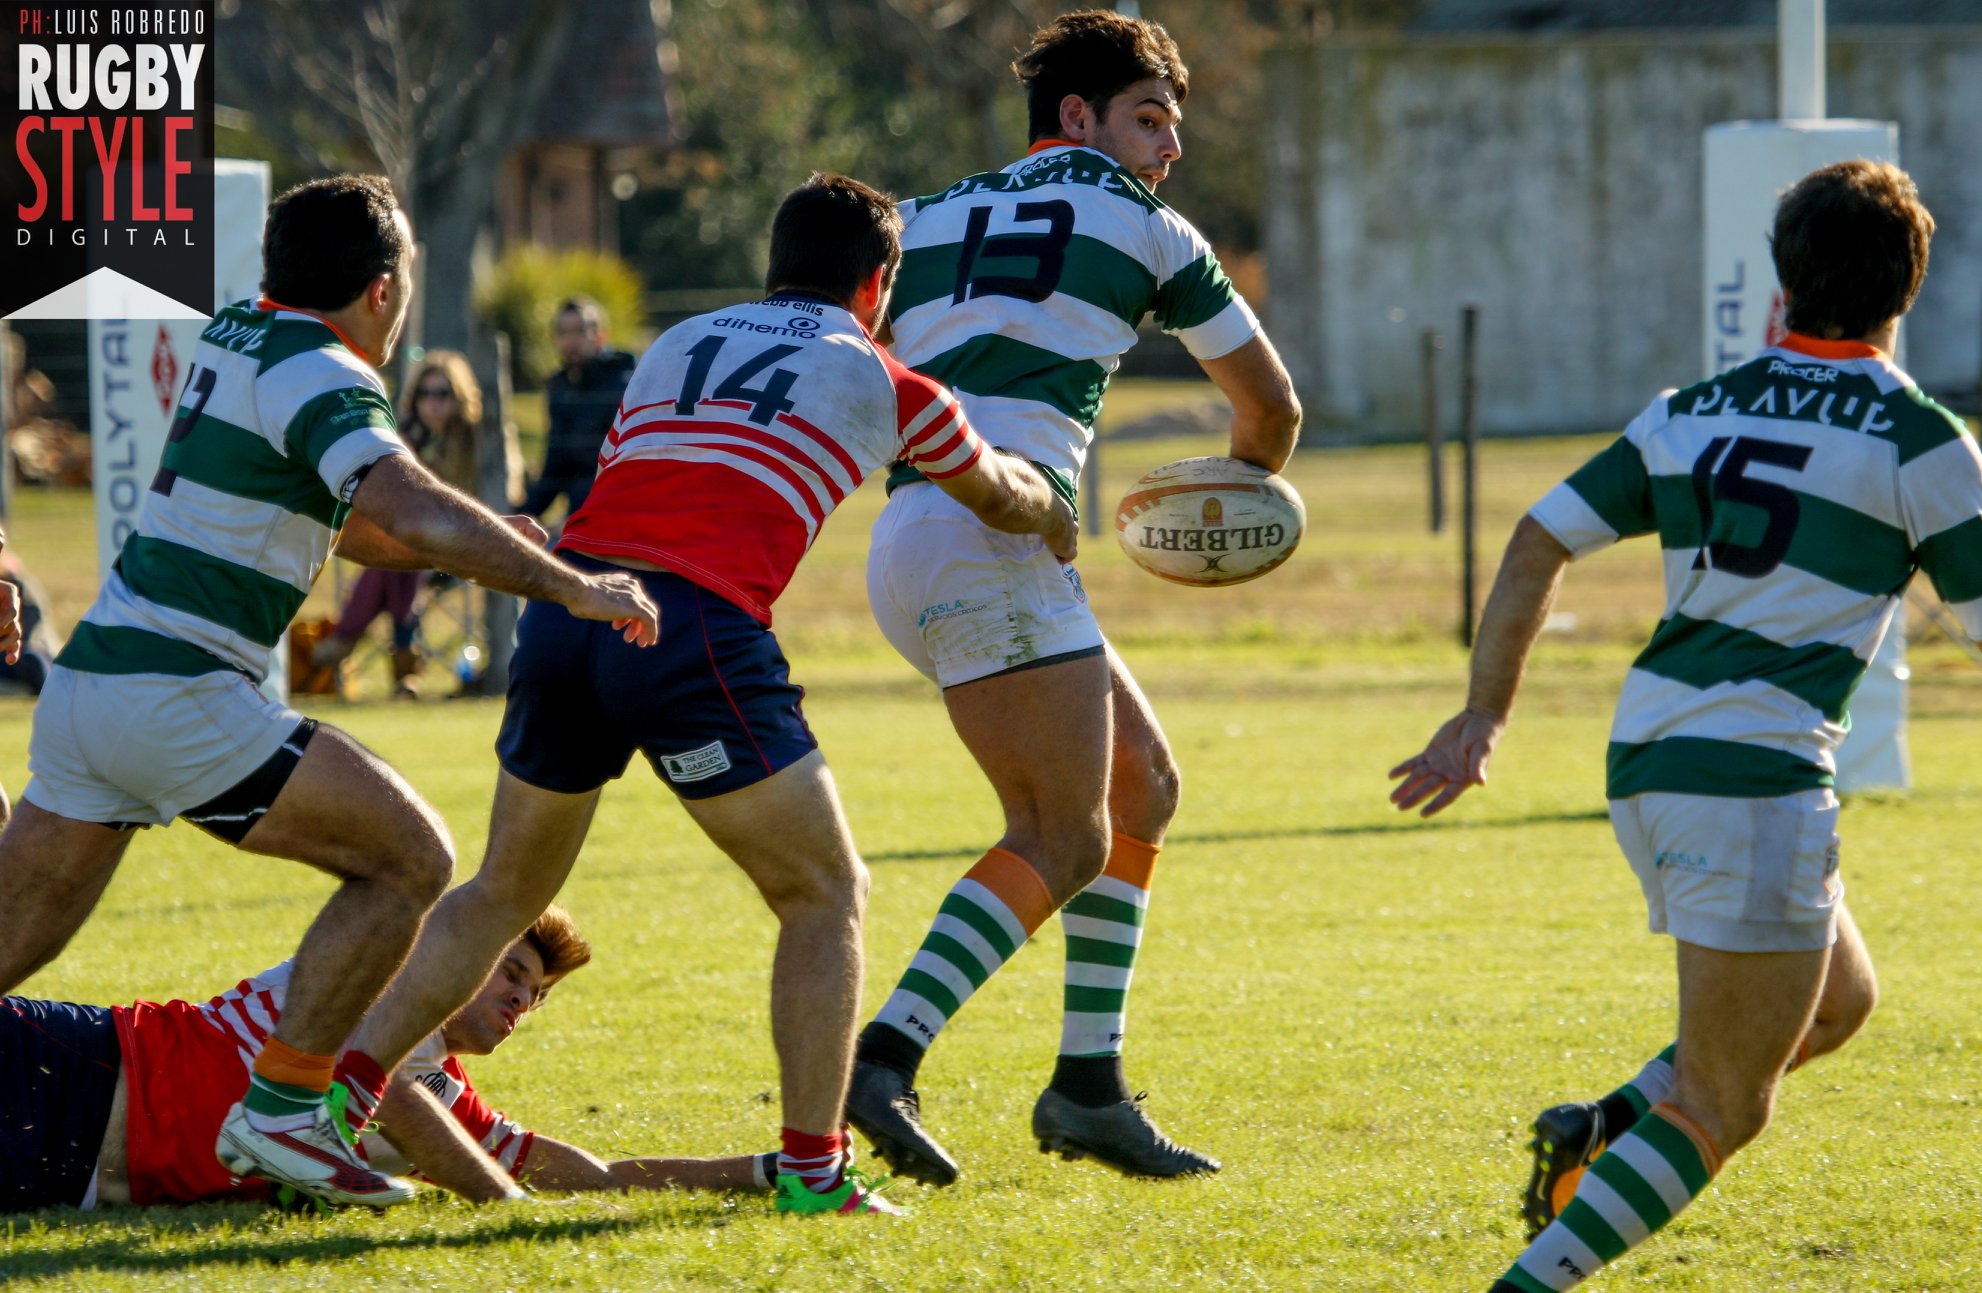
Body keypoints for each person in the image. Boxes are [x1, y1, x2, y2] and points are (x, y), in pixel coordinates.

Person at [329, 173, 1079, 1218]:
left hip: (567, 612)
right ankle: (815, 1171)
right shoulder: (890, 380)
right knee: (823, 895)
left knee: (502, 889)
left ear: (772, 265)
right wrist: (1054, 506)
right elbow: (998, 493)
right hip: (691, 629)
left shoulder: (676, 343)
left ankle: (336, 1095)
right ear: (877, 288)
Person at [0, 174, 660, 1210]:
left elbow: (346, 521)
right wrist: (574, 584)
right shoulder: (326, 371)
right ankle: (285, 1108)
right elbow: (399, 501)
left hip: (94, 690)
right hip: (177, 695)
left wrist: (496, 552)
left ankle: (286, 1109)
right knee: (410, 860)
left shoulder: (241, 333)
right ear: (386, 289)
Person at [1387, 160, 1969, 1292]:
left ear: (1781, 278)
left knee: (1838, 1003)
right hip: (1753, 784)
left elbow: (1534, 538)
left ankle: (1596, 1127)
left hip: (1646, 760)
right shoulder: (1921, 441)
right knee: (1722, 1107)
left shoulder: (1688, 411)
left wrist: (1478, 718)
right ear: (1908, 289)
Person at [847, 9, 1301, 1186]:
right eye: (1150, 117)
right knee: (1062, 833)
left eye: (1172, 123)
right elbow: (1273, 414)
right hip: (996, 537)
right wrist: (1233, 504)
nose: (1170, 146)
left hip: (916, 533)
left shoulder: (923, 216)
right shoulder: (1147, 225)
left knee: (1140, 786)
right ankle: (883, 1060)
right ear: (1076, 117)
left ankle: (1085, 1088)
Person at [0, 907, 779, 1211]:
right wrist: (499, 1201)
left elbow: (584, 1169)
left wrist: (754, 1170)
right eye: (511, 971)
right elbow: (394, 1102)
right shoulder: (384, 977)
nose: (521, 1001)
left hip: (67, 1175)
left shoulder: (438, 1081)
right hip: (73, 1069)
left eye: (535, 994)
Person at [311, 350, 488, 696]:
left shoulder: (477, 443)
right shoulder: (402, 439)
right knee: (398, 556)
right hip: (411, 550)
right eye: (425, 394)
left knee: (397, 555)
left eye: (443, 394)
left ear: (459, 397)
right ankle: (405, 674)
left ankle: (345, 638)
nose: (433, 404)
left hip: (462, 548)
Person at [520, 297, 636, 524]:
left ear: (599, 336)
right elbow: (556, 462)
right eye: (563, 332)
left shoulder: (623, 385)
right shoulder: (560, 386)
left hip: (616, 507)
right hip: (578, 511)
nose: (571, 340)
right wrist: (520, 516)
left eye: (579, 331)